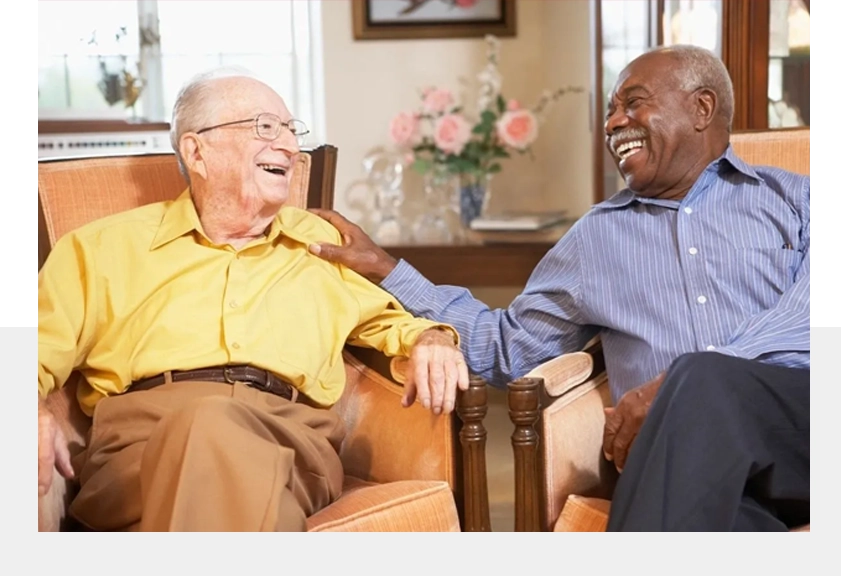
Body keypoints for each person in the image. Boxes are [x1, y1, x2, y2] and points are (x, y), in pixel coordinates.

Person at [307, 45, 810, 531]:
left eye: (633, 103)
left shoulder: (799, 199)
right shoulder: (596, 238)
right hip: (683, 466)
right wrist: (387, 269)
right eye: (611, 111)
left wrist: (674, 388)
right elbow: (509, 349)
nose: (613, 123)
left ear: (701, 108)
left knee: (702, 379)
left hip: (804, 430)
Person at [36, 67, 470, 532]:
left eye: (290, 130)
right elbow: (37, 352)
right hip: (139, 445)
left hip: (289, 438)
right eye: (266, 127)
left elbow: (391, 323)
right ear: (196, 151)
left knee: (210, 429)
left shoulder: (319, 243)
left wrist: (433, 338)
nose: (289, 146)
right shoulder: (98, 249)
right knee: (223, 455)